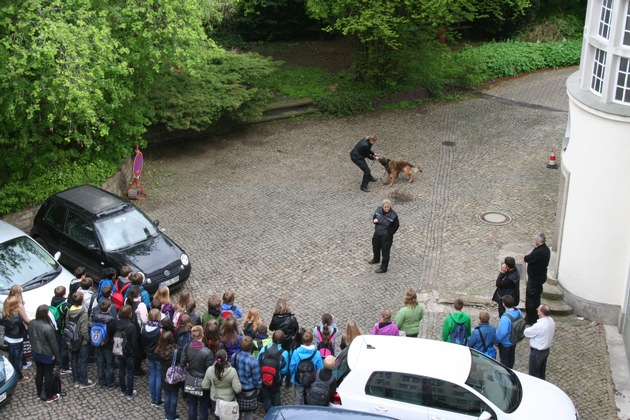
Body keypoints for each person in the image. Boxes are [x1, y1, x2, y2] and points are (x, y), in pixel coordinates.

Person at [181, 325, 214, 420]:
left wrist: (188, 365)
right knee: (203, 406)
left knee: (192, 404)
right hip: (203, 382)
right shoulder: (207, 352)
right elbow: (210, 370)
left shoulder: (187, 347)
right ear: (202, 335)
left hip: (190, 380)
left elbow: (182, 363)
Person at [30, 304, 61, 402]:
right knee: (48, 374)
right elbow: (54, 345)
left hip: (36, 352)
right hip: (47, 355)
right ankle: (49, 397)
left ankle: (39, 394)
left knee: (39, 372)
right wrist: (58, 358)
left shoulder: (32, 323)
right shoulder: (48, 327)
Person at [66, 292, 95, 388]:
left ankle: (76, 380)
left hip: (72, 339)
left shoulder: (69, 310)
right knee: (83, 361)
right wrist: (88, 339)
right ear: (82, 301)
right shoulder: (83, 314)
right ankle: (84, 381)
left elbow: (67, 323)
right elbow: (84, 330)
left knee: (74, 359)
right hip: (82, 341)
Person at [203, 349, 242, 419]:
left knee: (217, 416)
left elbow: (205, 386)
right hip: (228, 399)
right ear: (226, 358)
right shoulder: (232, 371)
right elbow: (237, 389)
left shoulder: (210, 370)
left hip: (215, 399)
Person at [257, 330, 289, 413]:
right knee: (276, 393)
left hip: (264, 378)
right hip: (276, 379)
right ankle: (277, 412)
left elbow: (258, 362)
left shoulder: (264, 349)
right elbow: (284, 369)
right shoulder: (284, 353)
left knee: (266, 395)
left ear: (272, 338)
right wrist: (280, 376)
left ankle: (269, 413)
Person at [230, 337, 262, 420]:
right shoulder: (254, 361)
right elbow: (257, 378)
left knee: (237, 411)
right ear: (251, 347)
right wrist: (258, 388)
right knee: (248, 412)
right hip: (250, 391)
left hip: (237, 388)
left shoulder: (234, 356)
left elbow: (232, 371)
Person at [289, 331, 323, 405]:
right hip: (311, 380)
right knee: (310, 397)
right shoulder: (316, 354)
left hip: (299, 379)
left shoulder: (296, 352)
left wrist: (294, 376)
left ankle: (298, 411)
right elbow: (320, 369)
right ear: (311, 340)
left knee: (298, 398)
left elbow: (292, 367)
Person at [524, 233, 551, 325]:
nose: (535, 241)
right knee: (536, 297)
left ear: (539, 241)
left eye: (536, 239)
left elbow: (528, 258)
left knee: (531, 299)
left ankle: (530, 318)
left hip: (535, 278)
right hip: (540, 277)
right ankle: (536, 315)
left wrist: (525, 257)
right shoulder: (546, 249)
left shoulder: (538, 251)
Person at [524, 304, 555, 380]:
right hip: (546, 350)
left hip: (537, 353)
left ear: (541, 312)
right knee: (541, 372)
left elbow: (526, 332)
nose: (537, 309)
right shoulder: (551, 321)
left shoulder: (539, 325)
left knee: (534, 375)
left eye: (539, 309)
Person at [369, 199, 399, 273]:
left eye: (388, 207)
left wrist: (389, 233)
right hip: (377, 233)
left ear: (390, 207)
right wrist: (374, 220)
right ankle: (376, 259)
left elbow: (396, 226)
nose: (386, 209)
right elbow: (374, 217)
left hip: (386, 236)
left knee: (385, 252)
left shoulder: (393, 215)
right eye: (385, 207)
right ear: (382, 206)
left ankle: (383, 268)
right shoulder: (378, 210)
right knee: (375, 247)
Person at [116, 304, 140, 400]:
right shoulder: (131, 326)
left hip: (120, 349)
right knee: (130, 372)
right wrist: (137, 353)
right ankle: (129, 393)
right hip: (129, 352)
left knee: (121, 370)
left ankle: (123, 389)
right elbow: (134, 342)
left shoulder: (117, 323)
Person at [91, 299, 117, 389]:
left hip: (98, 343)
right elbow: (114, 332)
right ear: (109, 308)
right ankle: (110, 383)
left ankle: (102, 382)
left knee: (100, 363)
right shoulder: (110, 320)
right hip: (108, 344)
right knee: (109, 365)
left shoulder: (95, 317)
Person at [156, 331, 181, 420]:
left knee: (166, 395)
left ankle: (167, 415)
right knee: (174, 396)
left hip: (164, 376)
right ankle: (172, 416)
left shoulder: (158, 350)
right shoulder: (176, 351)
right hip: (174, 376)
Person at [142, 309, 163, 407]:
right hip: (158, 356)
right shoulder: (159, 330)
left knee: (152, 375)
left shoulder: (145, 328)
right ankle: (158, 399)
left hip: (149, 355)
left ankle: (153, 399)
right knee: (158, 376)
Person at [50, 285, 71, 375]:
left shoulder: (53, 300)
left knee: (57, 346)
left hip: (55, 327)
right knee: (64, 348)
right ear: (64, 294)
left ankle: (57, 363)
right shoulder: (65, 305)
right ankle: (64, 367)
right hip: (62, 329)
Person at [496, 295, 521, 368]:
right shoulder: (518, 311)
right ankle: (511, 369)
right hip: (514, 339)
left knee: (504, 361)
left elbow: (501, 333)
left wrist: (496, 341)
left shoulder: (505, 318)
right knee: (511, 357)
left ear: (503, 304)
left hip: (506, 343)